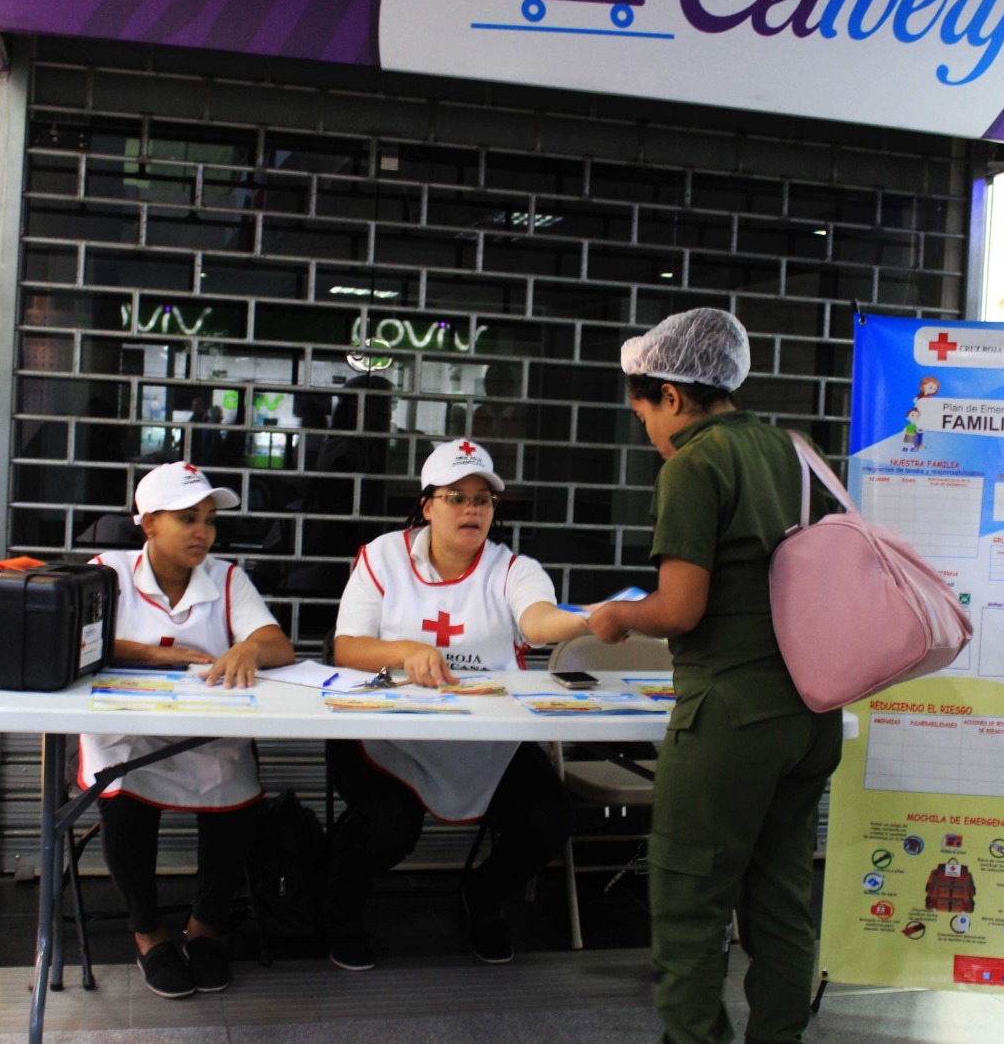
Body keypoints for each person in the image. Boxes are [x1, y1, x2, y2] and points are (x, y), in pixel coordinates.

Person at [589, 308, 844, 1044]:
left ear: (671, 395)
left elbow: (681, 607)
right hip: (807, 713)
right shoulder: (795, 453)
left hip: (729, 719)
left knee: (689, 900)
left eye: (643, 412)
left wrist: (619, 616)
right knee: (781, 899)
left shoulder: (695, 464)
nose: (647, 431)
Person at [326, 438, 590, 971]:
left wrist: (591, 618)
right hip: (390, 738)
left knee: (550, 817)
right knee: (387, 825)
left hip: (488, 741)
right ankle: (339, 912)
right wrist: (406, 652)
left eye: (483, 499)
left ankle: (483, 897)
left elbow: (537, 621)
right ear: (427, 505)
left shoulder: (514, 568)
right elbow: (346, 648)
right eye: (455, 497)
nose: (471, 509)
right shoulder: (382, 557)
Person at [79, 460, 295, 999]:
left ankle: (204, 927)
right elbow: (77, 637)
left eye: (208, 519)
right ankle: (149, 931)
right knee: (123, 790)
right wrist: (148, 654)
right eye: (187, 518)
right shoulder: (107, 570)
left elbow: (280, 647)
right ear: (148, 523)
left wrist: (248, 646)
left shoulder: (226, 578)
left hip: (207, 732)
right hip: (127, 732)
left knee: (236, 792)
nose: (203, 531)